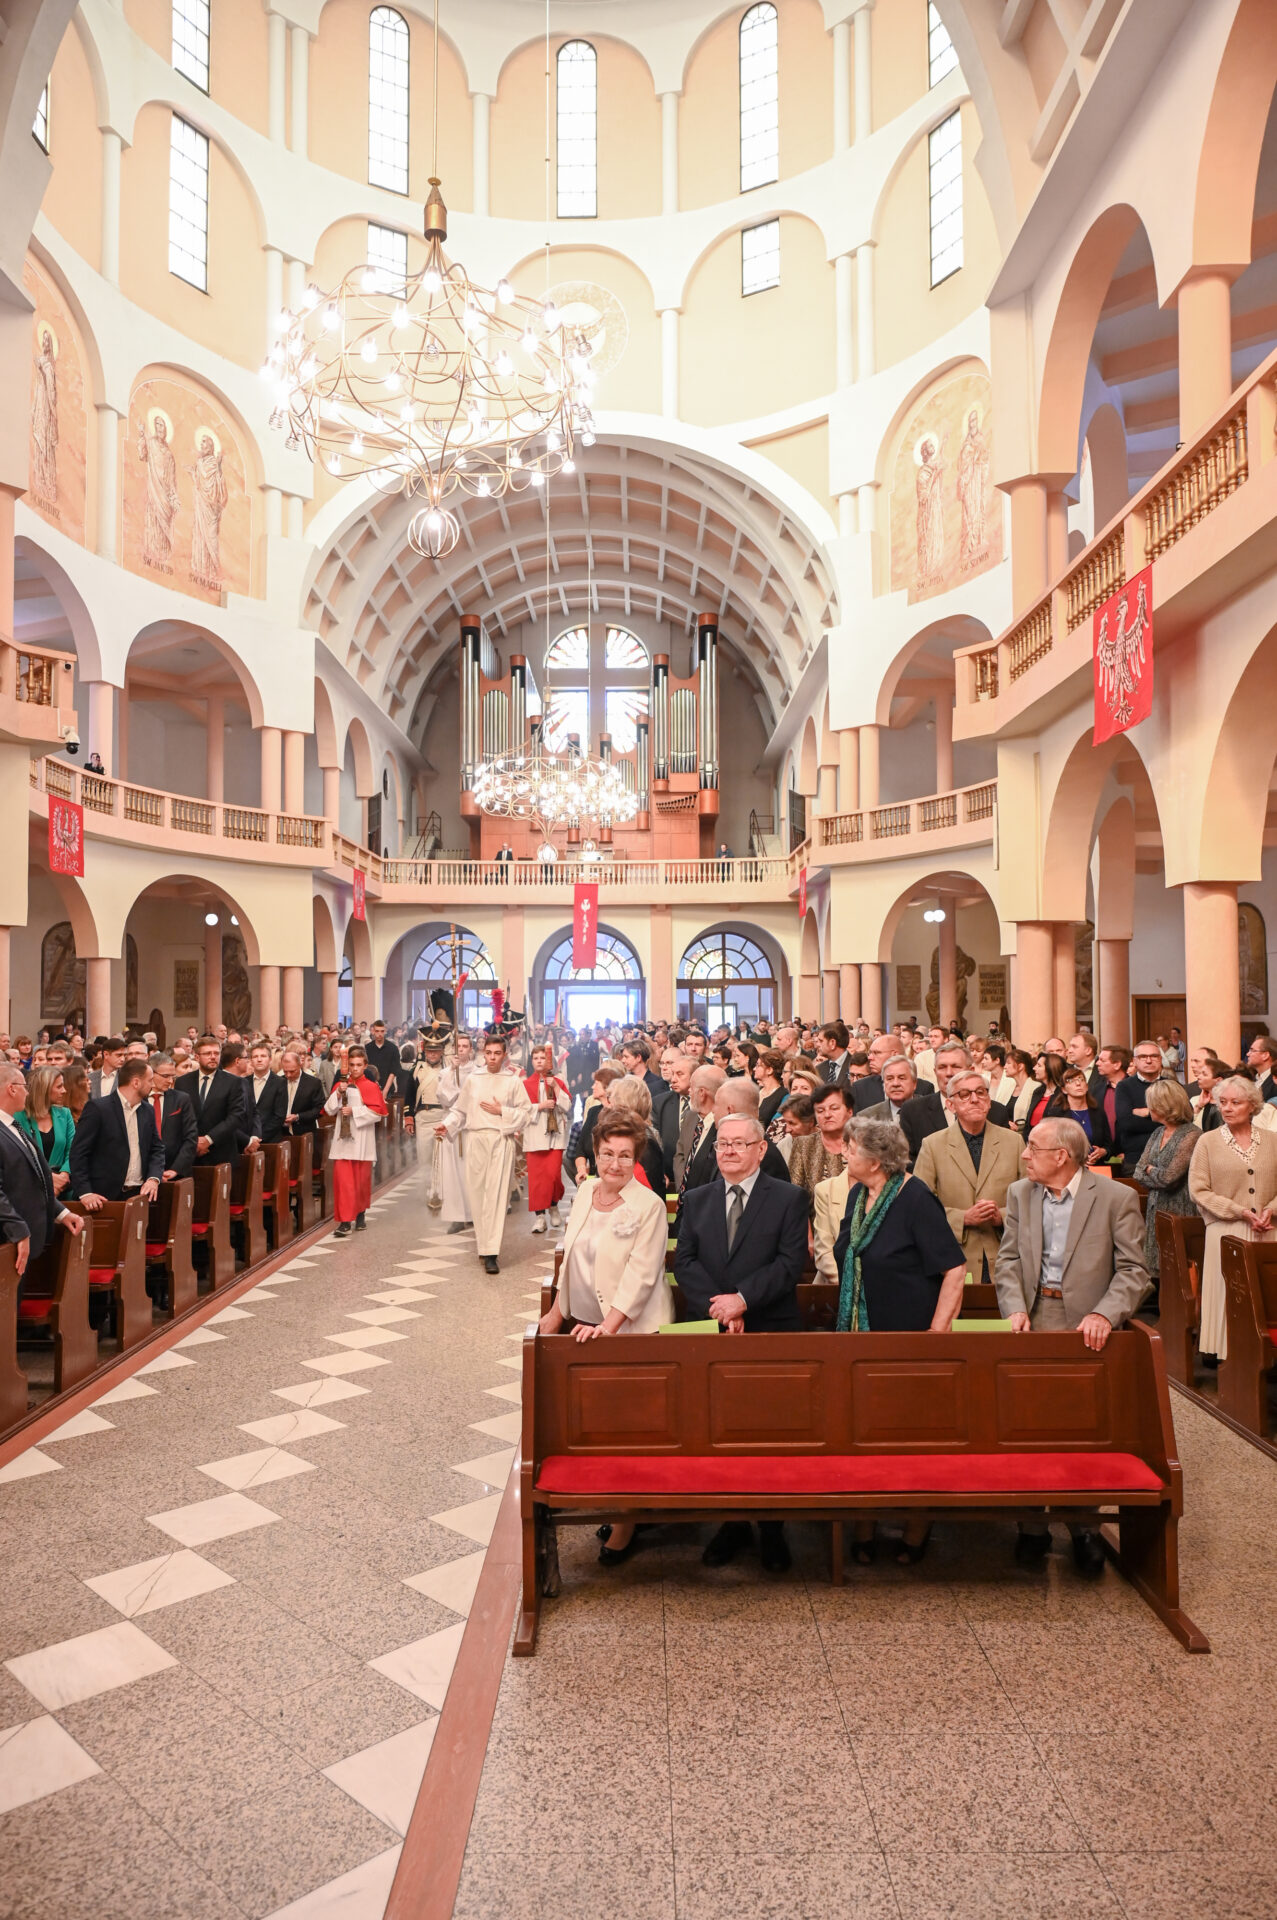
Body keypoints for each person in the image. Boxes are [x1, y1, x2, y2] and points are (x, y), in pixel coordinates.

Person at [994, 1117, 1151, 1576]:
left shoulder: (1115, 1198)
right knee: (1027, 1426)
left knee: (1082, 1429)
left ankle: (1084, 1527)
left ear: (1061, 1156)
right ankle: (1032, 1527)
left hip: (1087, 1324)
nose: (1025, 1155)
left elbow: (1134, 1271)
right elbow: (1008, 1259)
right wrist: (1013, 1308)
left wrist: (1105, 1313)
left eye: (1033, 1147)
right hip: (1034, 1318)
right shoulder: (1020, 1193)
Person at [675, 1114, 809, 1573]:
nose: (728, 1151)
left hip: (770, 1328)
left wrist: (743, 1300)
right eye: (722, 1144)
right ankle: (731, 1522)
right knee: (719, 1429)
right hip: (712, 1330)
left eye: (739, 1143)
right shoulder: (697, 1199)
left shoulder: (788, 1198)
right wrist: (721, 1307)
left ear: (761, 1149)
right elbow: (685, 1261)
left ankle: (772, 1527)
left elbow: (790, 1263)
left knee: (770, 1430)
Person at [832, 1114, 967, 1564]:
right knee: (863, 1436)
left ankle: (916, 1528)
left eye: (851, 1148)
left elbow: (954, 1268)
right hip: (860, 1340)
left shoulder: (915, 1198)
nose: (844, 1153)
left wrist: (936, 1334)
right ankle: (865, 1524)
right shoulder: (858, 1193)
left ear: (876, 1160)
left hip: (907, 1339)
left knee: (912, 1439)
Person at [1188, 1074, 1277, 1361]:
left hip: (1269, 1230)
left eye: (1235, 1102)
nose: (1227, 1108)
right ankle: (1226, 1355)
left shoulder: (1273, 1140)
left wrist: (1271, 1209)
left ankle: (1265, 1357)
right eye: (1223, 1102)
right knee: (1228, 1293)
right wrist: (1239, 1211)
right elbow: (1198, 1190)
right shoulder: (1207, 1142)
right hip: (1226, 1230)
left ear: (1252, 1105)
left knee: (1268, 1297)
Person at [912, 1070, 1025, 1284]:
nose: (974, 1099)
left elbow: (1031, 1200)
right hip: (953, 1259)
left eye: (981, 1092)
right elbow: (918, 1208)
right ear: (951, 1105)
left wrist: (1001, 1216)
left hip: (1005, 1256)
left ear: (989, 1101)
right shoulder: (933, 1145)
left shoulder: (1014, 1142)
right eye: (964, 1094)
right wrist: (963, 1218)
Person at [437, 1035, 532, 1272]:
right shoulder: (474, 1079)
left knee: (496, 1197)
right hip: (476, 1139)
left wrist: (503, 1111)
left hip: (500, 1139)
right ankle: (483, 1245)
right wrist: (447, 1125)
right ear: (483, 1053)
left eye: (497, 1053)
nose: (492, 1058)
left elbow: (527, 1113)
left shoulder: (512, 1081)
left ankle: (492, 1253)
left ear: (504, 1054)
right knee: (478, 1196)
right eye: (488, 1053)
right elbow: (460, 1111)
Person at [0, 1063, 87, 1271]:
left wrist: (61, 1212)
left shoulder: (12, 1126)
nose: (27, 1092)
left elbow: (30, 1181)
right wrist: (18, 1230)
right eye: (24, 1086)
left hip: (25, 1233)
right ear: (12, 1089)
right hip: (9, 1237)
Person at [68, 1058, 164, 1209]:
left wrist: (153, 1178)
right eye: (150, 1080)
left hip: (139, 1194)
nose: (153, 1085)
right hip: (103, 1197)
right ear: (136, 1083)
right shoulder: (98, 1108)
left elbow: (156, 1148)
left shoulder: (147, 1110)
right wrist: (85, 1192)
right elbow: (78, 1153)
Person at [1131, 1079, 1200, 1288]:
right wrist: (1151, 1172)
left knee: (1178, 1270)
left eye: (1151, 1104)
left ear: (1163, 1106)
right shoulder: (1158, 1133)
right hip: (1155, 1208)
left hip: (1179, 1210)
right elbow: (1137, 1172)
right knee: (1157, 1269)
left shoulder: (1192, 1134)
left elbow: (1170, 1178)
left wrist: (1150, 1170)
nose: (1148, 1108)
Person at [325, 1045, 387, 1237]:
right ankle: (345, 1222)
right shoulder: (341, 1085)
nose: (354, 1068)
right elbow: (328, 1109)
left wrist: (355, 1111)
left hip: (362, 1141)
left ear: (365, 1065)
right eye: (351, 1065)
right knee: (344, 1184)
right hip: (343, 1143)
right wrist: (338, 1093)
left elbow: (378, 1113)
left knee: (360, 1183)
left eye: (359, 1065)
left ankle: (360, 1215)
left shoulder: (371, 1086)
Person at [177, 1035, 250, 1165]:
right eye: (207, 1053)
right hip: (189, 1153)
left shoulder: (233, 1082)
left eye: (216, 1053)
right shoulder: (183, 1082)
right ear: (197, 1057)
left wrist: (208, 1139)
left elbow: (236, 1116)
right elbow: (179, 1117)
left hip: (221, 1152)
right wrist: (194, 1141)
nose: (213, 1057)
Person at [524, 1042, 571, 1232]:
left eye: (542, 1058)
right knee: (536, 1179)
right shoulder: (526, 1084)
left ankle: (553, 1205)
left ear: (549, 1060)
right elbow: (521, 1109)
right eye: (535, 1058)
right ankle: (540, 1217)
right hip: (535, 1135)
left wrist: (556, 1088)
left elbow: (566, 1106)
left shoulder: (558, 1081)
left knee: (553, 1176)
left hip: (555, 1136)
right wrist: (540, 1106)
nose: (539, 1061)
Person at [436, 1033, 476, 1234]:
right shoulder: (445, 1072)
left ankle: (474, 1213)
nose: (461, 1049)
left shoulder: (478, 1072)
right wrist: (452, 1071)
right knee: (452, 1173)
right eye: (458, 1046)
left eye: (465, 1046)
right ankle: (457, 1216)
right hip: (451, 1125)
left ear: (471, 1049)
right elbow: (444, 1097)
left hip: (470, 1126)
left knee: (471, 1171)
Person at [788, 1080, 852, 1204]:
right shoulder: (804, 1144)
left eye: (834, 1108)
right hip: (814, 1213)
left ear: (849, 1111)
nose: (827, 1115)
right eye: (820, 1111)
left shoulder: (863, 1142)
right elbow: (794, 1193)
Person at [16, 1066, 75, 1198]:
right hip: (30, 1191)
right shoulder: (18, 1116)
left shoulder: (65, 1114)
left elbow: (72, 1150)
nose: (64, 1090)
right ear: (44, 1089)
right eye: (59, 1087)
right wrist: (49, 1178)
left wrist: (64, 1175)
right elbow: (18, 1157)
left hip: (63, 1190)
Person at [1114, 1040, 1168, 1174]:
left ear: (1160, 1059)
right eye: (1143, 1057)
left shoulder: (1171, 1085)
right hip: (1136, 1160)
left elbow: (1185, 1117)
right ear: (1134, 1061)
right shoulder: (1124, 1087)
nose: (1149, 1061)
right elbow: (1126, 1123)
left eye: (1154, 1056)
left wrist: (1149, 1113)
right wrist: (1165, 1119)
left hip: (1169, 1159)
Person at [146, 1053, 199, 1179]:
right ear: (151, 1073)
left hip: (174, 1171)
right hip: (144, 1172)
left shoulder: (181, 1099)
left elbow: (191, 1137)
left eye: (172, 1076)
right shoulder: (139, 1099)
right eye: (165, 1076)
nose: (170, 1081)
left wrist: (176, 1169)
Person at [1049, 1065, 1114, 1165]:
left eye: (1081, 1079)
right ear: (1064, 1090)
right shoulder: (1056, 1114)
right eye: (1071, 1081)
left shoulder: (1098, 1112)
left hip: (1095, 1167)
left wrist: (1102, 1152)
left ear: (1087, 1087)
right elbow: (1050, 1145)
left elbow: (1108, 1145)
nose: (1078, 1083)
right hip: (1067, 1167)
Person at [244, 1040, 288, 1149]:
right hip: (246, 1142)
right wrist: (248, 1139)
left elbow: (279, 1116)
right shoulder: (243, 1082)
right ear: (251, 1061)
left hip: (270, 1141)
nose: (259, 1059)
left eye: (263, 1056)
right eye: (255, 1056)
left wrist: (258, 1137)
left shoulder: (280, 1083)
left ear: (270, 1059)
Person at [279, 1048, 325, 1137]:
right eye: (285, 1071)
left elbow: (319, 1109)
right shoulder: (279, 1082)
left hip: (305, 1132)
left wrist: (298, 1117)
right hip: (282, 1133)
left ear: (300, 1065)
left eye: (292, 1071)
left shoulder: (313, 1083)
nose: (288, 1075)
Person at [364, 1021, 403, 1102]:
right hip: (369, 1088)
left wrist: (385, 1091)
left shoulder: (393, 1048)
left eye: (382, 1031)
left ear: (385, 1031)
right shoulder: (367, 1048)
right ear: (373, 1031)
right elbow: (365, 1069)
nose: (379, 1034)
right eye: (377, 1031)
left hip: (388, 1089)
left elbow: (394, 1071)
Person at [753, 1047, 787, 1134]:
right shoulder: (755, 1092)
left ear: (769, 1070)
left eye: (758, 1065)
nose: (754, 1069)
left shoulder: (783, 1095)